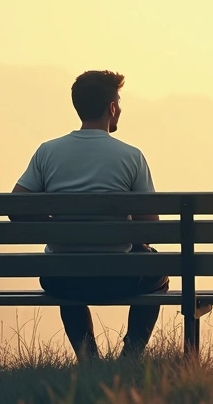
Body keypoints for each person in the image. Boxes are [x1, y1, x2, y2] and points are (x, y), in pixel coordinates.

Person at [10, 70, 167, 362]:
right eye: (118, 101)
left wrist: (57, 230)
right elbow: (150, 230)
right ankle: (130, 357)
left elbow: (16, 208)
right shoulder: (131, 156)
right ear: (111, 108)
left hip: (63, 279)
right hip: (119, 278)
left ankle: (88, 358)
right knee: (158, 268)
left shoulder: (48, 152)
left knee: (64, 266)